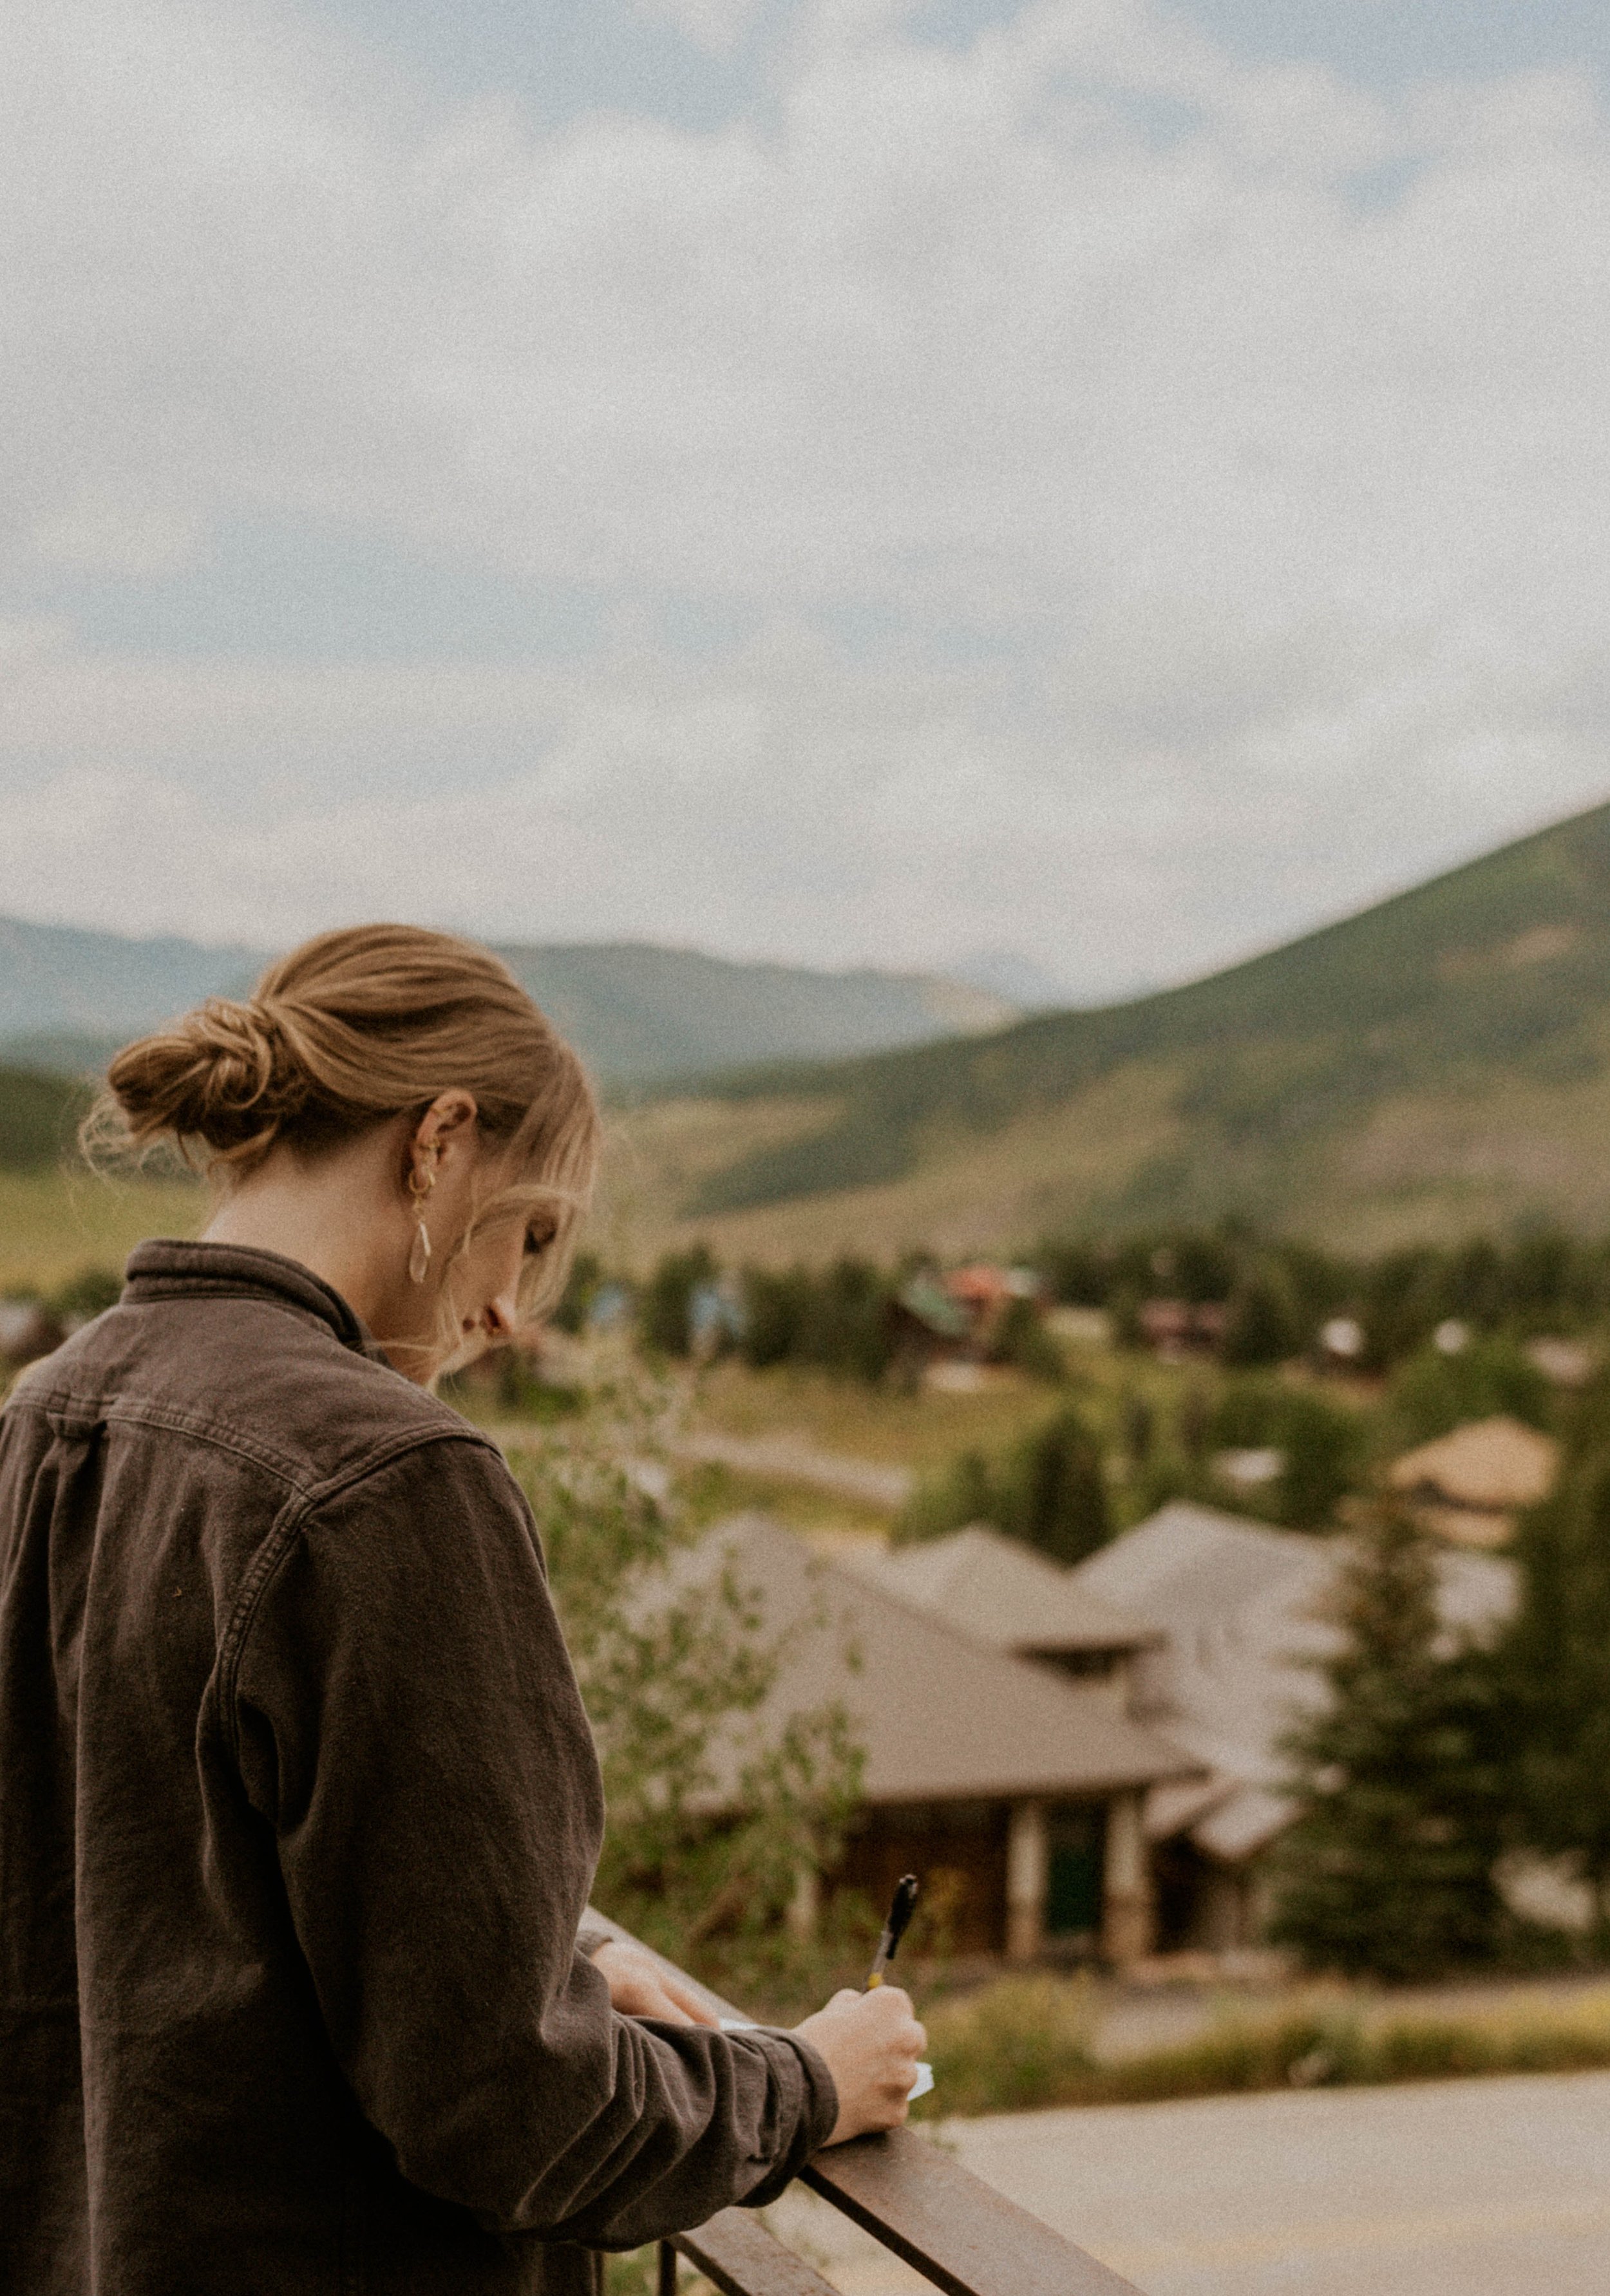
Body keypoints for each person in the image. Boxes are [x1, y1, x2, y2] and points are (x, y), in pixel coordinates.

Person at [0, 925, 924, 2296]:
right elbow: (508, 2107)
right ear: (437, 1143)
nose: (506, 1309)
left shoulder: (46, 1415)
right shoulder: (389, 1478)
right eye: (532, 1232)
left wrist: (554, 1947)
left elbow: (167, 1884)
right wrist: (797, 2083)